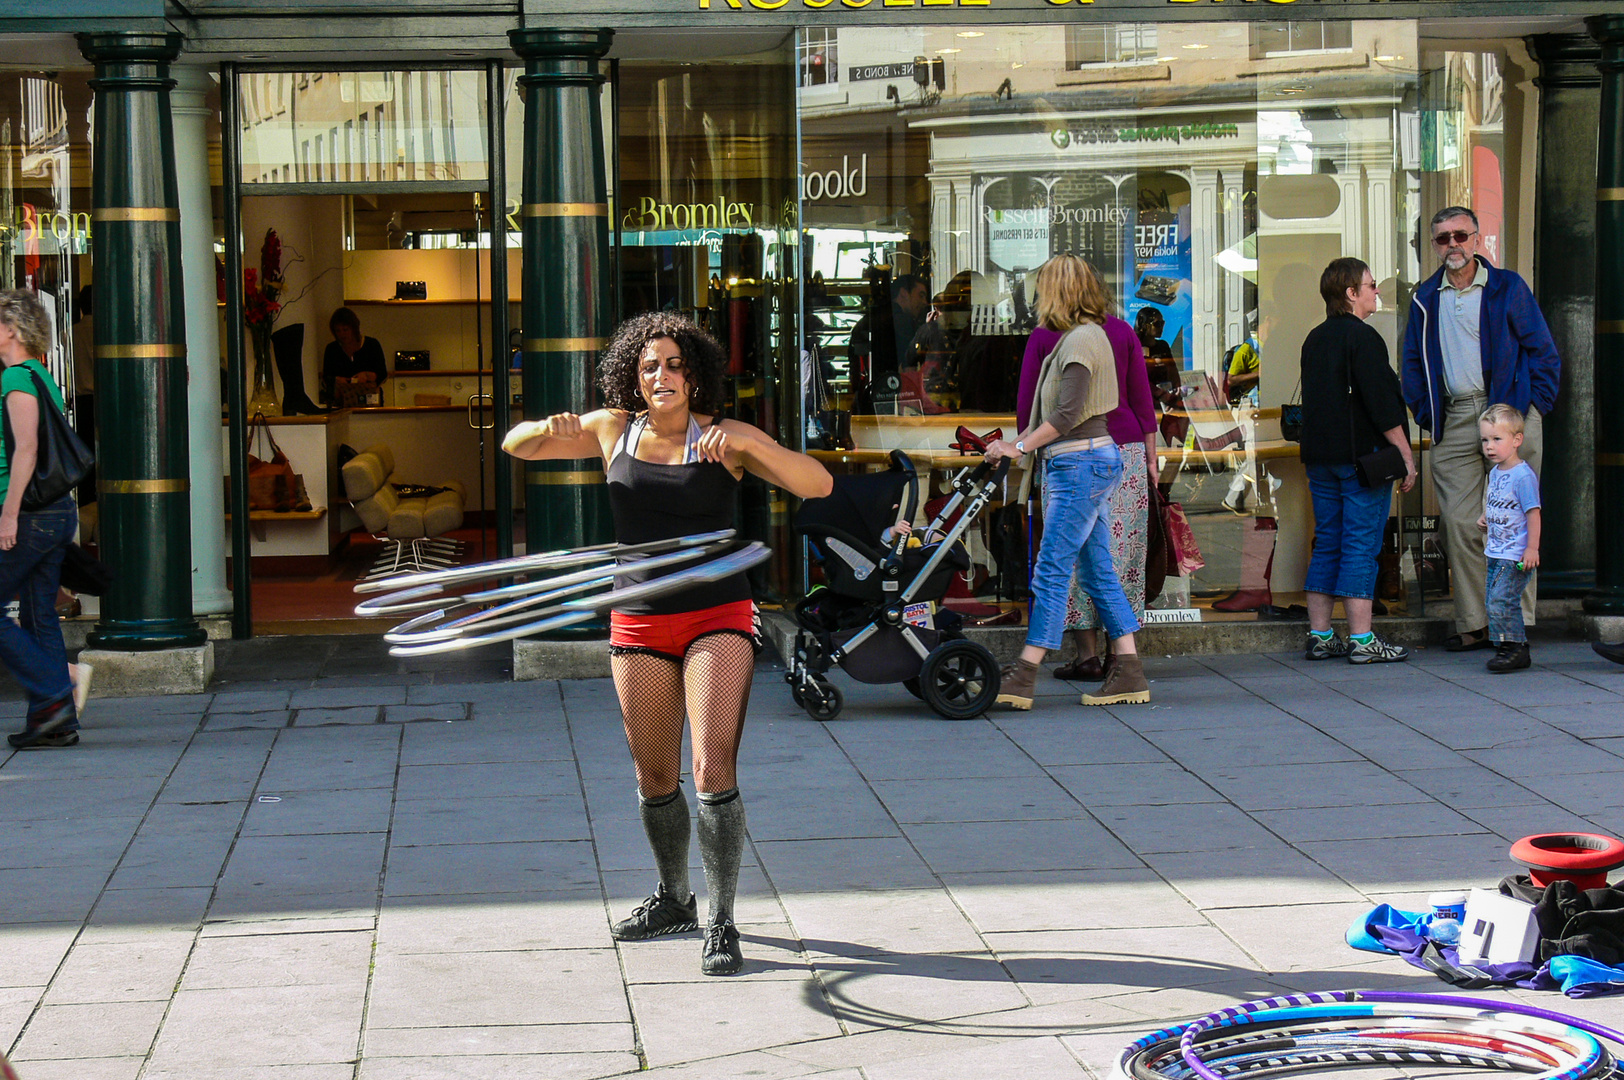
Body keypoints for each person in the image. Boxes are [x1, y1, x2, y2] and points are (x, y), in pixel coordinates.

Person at [501, 311, 832, 976]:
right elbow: (515, 445)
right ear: (633, 375)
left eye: (675, 365)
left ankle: (722, 917)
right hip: (640, 623)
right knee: (655, 776)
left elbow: (817, 484)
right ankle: (673, 898)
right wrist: (549, 428)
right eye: (649, 366)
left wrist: (751, 452)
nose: (662, 375)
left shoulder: (725, 436)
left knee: (712, 771)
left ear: (696, 374)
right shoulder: (612, 429)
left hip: (717, 616)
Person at [983, 255, 1149, 709]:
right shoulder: (1087, 338)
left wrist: (1016, 447)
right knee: (1096, 570)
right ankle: (1129, 670)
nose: (1037, 296)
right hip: (1087, 462)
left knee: (1052, 568)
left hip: (1078, 465)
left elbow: (1067, 414)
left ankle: (1025, 672)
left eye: (1043, 287)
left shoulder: (1080, 342)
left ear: (1059, 292)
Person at [1400, 206, 1561, 653]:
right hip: (1455, 415)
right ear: (1434, 246)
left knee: (1514, 520)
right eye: (1442, 239)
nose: (1452, 245)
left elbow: (1544, 352)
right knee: (1459, 522)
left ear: (1477, 238)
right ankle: (1474, 621)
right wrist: (1426, 412)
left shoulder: (1507, 287)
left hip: (1509, 413)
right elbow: (1412, 361)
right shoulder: (1424, 297)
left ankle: (1512, 623)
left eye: (1460, 236)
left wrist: (1533, 410)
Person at [1017, 289, 1157, 681]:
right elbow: (1142, 399)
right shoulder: (1122, 331)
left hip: (1069, 451)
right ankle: (1121, 657)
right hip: (1125, 449)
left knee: (1070, 557)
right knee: (1118, 556)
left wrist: (1022, 450)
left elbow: (1031, 405)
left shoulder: (1047, 335)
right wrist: (1151, 456)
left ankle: (1085, 656)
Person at [1300, 258, 1416, 664]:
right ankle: (1362, 640)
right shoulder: (1364, 338)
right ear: (1351, 293)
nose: (1376, 291)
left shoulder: (1314, 338)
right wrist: (1405, 455)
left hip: (1321, 459)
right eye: (1370, 285)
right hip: (1361, 461)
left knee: (1328, 541)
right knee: (1360, 545)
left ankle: (1320, 634)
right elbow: (1382, 405)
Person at [0, 290, 81, 748]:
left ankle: (53, 689)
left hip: (32, 515)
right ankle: (54, 722)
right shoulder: (40, 374)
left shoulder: (16, 377)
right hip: (54, 512)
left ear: (12, 328)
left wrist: (8, 515)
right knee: (38, 616)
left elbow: (26, 449)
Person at [1476, 403, 1541, 673]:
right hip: (1496, 550)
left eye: (1496, 439)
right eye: (1485, 440)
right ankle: (1506, 645)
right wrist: (1486, 517)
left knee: (1503, 599)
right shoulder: (1495, 473)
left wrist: (1532, 548)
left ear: (1517, 440)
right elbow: (1500, 503)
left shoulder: (1523, 476)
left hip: (1514, 554)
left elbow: (1533, 513)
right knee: (1494, 599)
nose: (1489, 446)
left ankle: (1515, 647)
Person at [322, 307, 388, 406]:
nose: (342, 334)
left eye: (345, 330)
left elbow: (382, 374)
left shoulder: (372, 345)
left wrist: (367, 375)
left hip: (369, 400)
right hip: (342, 401)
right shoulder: (332, 349)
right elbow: (326, 376)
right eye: (338, 331)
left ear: (354, 328)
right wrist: (336, 380)